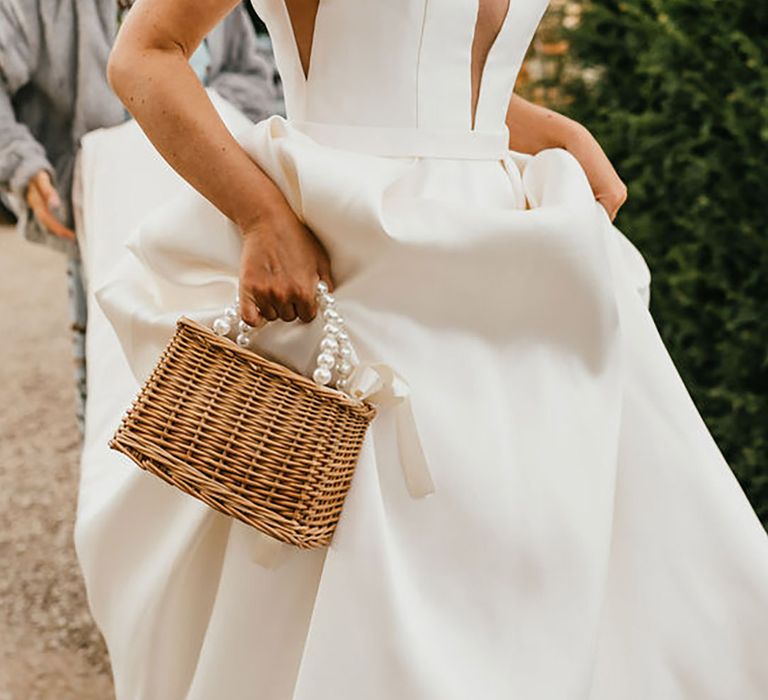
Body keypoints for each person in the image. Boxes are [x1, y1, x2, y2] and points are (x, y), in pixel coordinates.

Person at [73, 0, 768, 698]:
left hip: (524, 270)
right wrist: (261, 214)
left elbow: (440, 71)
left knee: (585, 567)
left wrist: (543, 127)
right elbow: (146, 52)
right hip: (359, 262)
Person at [0, 0, 281, 431]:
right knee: (110, 367)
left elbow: (251, 74)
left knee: (225, 358)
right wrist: (20, 161)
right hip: (103, 210)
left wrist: (191, 116)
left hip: (209, 205)